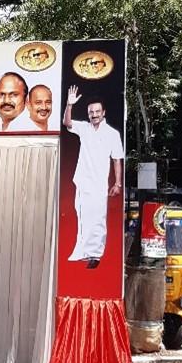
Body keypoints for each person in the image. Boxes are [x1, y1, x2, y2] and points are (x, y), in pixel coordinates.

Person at [63, 85, 125, 269]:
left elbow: (117, 160)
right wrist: (69, 104)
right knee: (82, 216)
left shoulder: (112, 134)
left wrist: (118, 183)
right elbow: (67, 123)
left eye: (97, 111)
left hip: (99, 184)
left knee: (98, 218)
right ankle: (83, 251)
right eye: (91, 112)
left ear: (103, 112)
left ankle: (96, 255)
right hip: (83, 180)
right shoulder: (84, 128)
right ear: (88, 113)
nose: (94, 114)